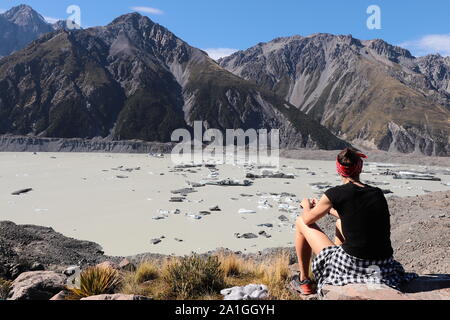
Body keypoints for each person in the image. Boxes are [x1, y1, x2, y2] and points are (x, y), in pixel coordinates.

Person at [290, 147, 418, 296]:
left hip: (354, 266)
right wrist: (326, 208)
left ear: (338, 170)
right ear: (360, 168)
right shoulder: (376, 193)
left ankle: (304, 280)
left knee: (300, 222)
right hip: (383, 265)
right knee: (339, 223)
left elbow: (307, 218)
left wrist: (306, 206)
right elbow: (353, 215)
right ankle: (333, 264)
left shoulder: (334, 193)